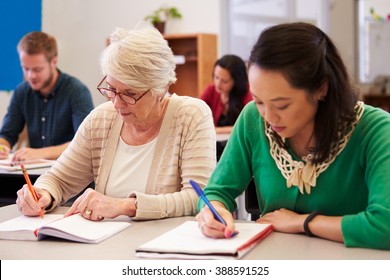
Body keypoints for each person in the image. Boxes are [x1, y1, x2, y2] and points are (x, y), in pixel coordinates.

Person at [196, 22, 390, 249]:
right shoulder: (252, 118)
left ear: (321, 88)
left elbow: (384, 225)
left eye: (282, 105)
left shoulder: (375, 129)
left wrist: (303, 222)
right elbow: (216, 191)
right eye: (258, 101)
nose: (268, 116)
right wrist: (214, 211)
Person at [16, 23, 216, 221]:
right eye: (111, 89)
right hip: (105, 243)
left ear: (160, 88)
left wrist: (127, 206)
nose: (117, 103)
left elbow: (199, 198)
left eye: (130, 94)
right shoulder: (101, 119)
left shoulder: (191, 116)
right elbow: (59, 179)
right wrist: (42, 193)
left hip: (165, 246)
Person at [0, 31, 94, 161]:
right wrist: (2, 147)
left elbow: (85, 144)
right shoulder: (21, 92)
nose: (31, 76)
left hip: (70, 173)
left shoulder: (76, 91)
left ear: (53, 62)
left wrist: (40, 153)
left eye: (37, 69)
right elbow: (7, 134)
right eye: (26, 68)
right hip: (35, 173)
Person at [200, 54, 252, 135]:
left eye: (224, 81)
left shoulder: (248, 92)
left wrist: (217, 130)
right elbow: (197, 114)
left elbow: (249, 126)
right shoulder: (210, 90)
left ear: (236, 81)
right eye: (216, 77)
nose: (218, 84)